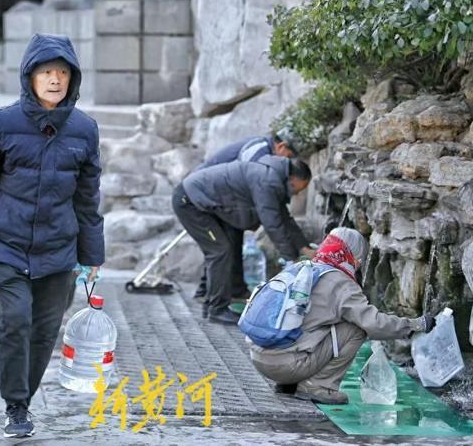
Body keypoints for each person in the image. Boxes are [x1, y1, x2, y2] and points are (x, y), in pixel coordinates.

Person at [0, 33, 103, 439]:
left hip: (58, 247)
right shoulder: (2, 124)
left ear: (73, 78)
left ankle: (25, 399)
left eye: (63, 73)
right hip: (6, 242)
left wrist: (92, 257)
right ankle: (15, 405)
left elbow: (88, 201)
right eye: (47, 72)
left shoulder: (85, 129)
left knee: (45, 330)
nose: (55, 80)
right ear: (30, 77)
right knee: (16, 319)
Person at [249, 227, 435, 404]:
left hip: (259, 359)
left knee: (313, 324)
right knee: (357, 329)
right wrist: (414, 325)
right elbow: (374, 324)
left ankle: (288, 384)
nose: (359, 264)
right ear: (352, 256)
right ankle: (317, 386)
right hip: (286, 366)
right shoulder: (341, 281)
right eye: (359, 258)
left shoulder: (302, 268)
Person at [172, 155, 315, 325]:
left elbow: (284, 217)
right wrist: (291, 258)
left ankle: (212, 305)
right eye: (300, 188)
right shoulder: (267, 181)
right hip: (190, 202)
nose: (298, 193)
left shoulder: (272, 177)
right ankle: (217, 310)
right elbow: (272, 224)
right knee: (220, 251)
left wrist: (305, 248)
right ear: (293, 179)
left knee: (224, 249)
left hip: (200, 201)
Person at [191, 128, 304, 301]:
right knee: (223, 246)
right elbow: (255, 194)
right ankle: (214, 292)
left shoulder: (267, 155)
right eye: (288, 156)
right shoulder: (259, 152)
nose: (287, 163)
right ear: (281, 146)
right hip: (207, 193)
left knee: (225, 245)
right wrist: (290, 256)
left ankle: (227, 290)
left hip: (220, 196)